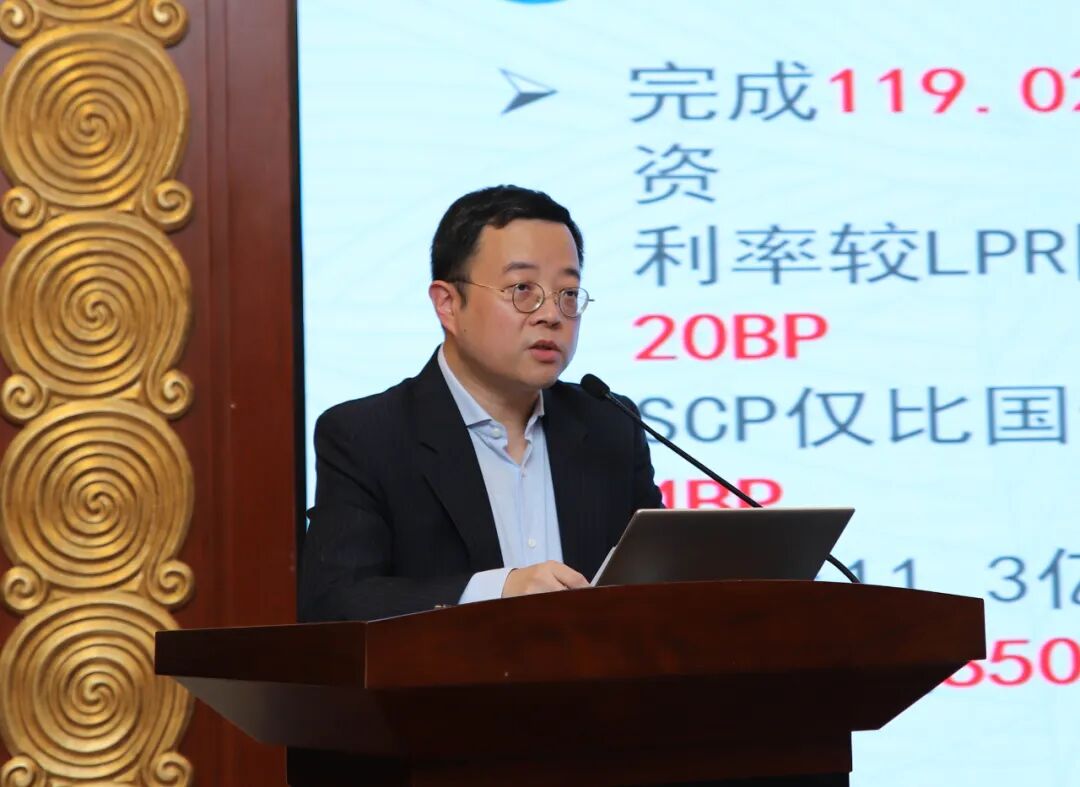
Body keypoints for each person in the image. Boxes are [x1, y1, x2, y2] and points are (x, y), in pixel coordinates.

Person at [299, 185, 663, 621]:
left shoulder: (609, 424)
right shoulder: (368, 436)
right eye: (523, 289)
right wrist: (496, 590)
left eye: (568, 293)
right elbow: (336, 601)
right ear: (448, 305)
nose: (551, 315)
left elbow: (658, 582)